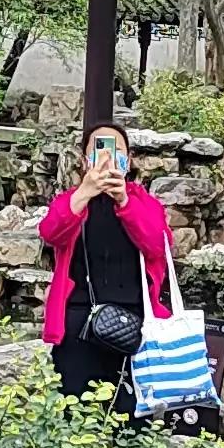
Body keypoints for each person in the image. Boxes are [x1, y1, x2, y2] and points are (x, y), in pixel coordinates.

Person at [37, 124, 174, 404]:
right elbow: (51, 232)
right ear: (85, 160)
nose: (108, 158)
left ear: (128, 160)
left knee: (130, 412)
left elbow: (157, 245)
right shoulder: (72, 200)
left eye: (116, 151)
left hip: (135, 322)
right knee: (74, 408)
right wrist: (84, 192)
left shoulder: (144, 203)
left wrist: (123, 200)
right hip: (79, 323)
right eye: (99, 150)